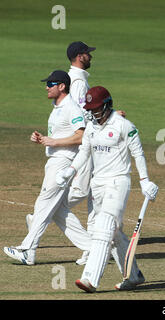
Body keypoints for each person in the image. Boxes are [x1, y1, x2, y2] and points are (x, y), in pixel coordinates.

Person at [26, 41, 126, 265]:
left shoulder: (78, 79)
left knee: (85, 193)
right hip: (81, 146)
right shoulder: (78, 82)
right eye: (88, 54)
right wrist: (111, 117)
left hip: (78, 146)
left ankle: (88, 244)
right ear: (80, 56)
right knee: (81, 192)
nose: (91, 57)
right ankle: (43, 218)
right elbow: (83, 116)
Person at [55, 86, 158, 292]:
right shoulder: (91, 127)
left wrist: (145, 180)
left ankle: (90, 279)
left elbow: (138, 153)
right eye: (90, 109)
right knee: (114, 233)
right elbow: (84, 152)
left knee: (104, 227)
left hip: (118, 182)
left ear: (107, 104)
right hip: (98, 183)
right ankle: (134, 275)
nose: (93, 113)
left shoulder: (123, 125)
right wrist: (70, 170)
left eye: (96, 108)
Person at [3, 70, 91, 265]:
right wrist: (41, 139)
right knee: (59, 211)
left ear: (62, 86)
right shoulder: (56, 107)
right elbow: (60, 135)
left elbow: (81, 136)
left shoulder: (71, 107)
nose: (47, 87)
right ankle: (93, 248)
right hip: (53, 160)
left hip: (63, 161)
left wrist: (53, 141)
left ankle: (28, 250)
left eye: (51, 83)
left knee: (43, 205)